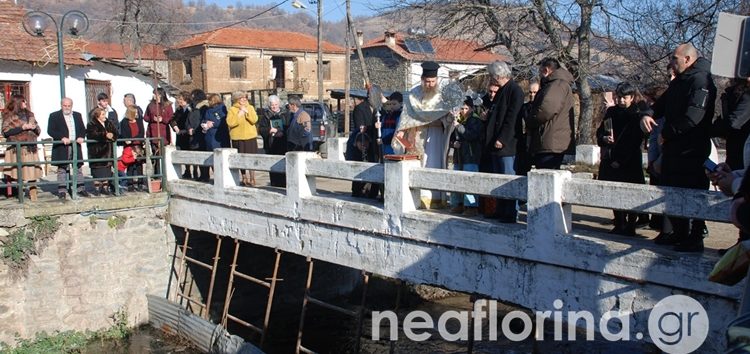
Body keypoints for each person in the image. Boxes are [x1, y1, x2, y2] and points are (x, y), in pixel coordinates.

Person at [640, 42, 716, 252]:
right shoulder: (679, 81)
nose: (671, 61)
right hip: (674, 149)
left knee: (693, 190)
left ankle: (695, 235)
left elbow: (694, 117)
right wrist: (649, 114)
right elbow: (661, 105)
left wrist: (667, 133)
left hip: (691, 149)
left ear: (688, 59)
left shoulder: (701, 80)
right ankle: (679, 232)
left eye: (675, 58)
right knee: (671, 189)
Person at [393, 61, 454, 209]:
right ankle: (422, 198)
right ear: (422, 80)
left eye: (433, 81)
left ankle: (438, 198)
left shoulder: (443, 96)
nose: (430, 85)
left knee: (436, 164)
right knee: (422, 165)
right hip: (418, 134)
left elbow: (448, 117)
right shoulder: (414, 94)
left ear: (437, 80)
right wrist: (401, 131)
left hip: (437, 134)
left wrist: (450, 117)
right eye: (427, 81)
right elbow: (406, 116)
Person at [596, 82, 647, 236]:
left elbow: (635, 140)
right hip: (611, 157)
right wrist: (604, 138)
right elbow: (600, 132)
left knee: (632, 194)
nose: (621, 101)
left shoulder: (637, 114)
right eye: (619, 97)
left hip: (630, 160)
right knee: (613, 192)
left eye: (624, 98)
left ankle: (631, 224)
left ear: (631, 97)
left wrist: (621, 160)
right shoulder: (611, 112)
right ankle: (619, 222)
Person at [485, 61, 524, 222]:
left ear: (498, 76)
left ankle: (510, 213)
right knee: (498, 178)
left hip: (507, 144)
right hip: (496, 142)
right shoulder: (502, 90)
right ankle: (500, 209)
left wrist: (502, 138)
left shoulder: (515, 91)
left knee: (508, 178)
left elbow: (512, 118)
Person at [527, 57, 576, 170]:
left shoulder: (557, 85)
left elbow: (547, 109)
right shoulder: (558, 84)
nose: (539, 74)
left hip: (551, 140)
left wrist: (531, 120)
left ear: (546, 70)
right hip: (552, 140)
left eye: (540, 71)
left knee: (546, 174)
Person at [2, 95, 43, 201]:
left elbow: (38, 131)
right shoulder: (9, 116)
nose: (26, 103)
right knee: (18, 171)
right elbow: (5, 132)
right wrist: (22, 128)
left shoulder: (30, 114)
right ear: (18, 102)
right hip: (17, 148)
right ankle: (19, 193)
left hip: (30, 147)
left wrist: (34, 128)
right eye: (23, 101)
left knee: (32, 170)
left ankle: (33, 193)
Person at [449, 97, 485, 216]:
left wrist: (459, 126)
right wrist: (453, 143)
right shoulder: (458, 119)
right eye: (462, 108)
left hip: (471, 155)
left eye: (466, 108)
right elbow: (451, 138)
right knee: (457, 180)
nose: (464, 111)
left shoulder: (476, 120)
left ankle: (471, 206)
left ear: (471, 108)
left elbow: (471, 135)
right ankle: (458, 204)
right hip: (458, 156)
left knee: (470, 181)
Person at [48, 97, 89, 199]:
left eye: (69, 106)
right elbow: (50, 130)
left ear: (72, 106)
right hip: (62, 146)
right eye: (64, 105)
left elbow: (83, 129)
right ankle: (62, 190)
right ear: (61, 105)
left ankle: (80, 188)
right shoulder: (54, 116)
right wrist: (61, 137)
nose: (67, 107)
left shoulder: (77, 115)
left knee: (78, 167)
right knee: (62, 168)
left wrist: (81, 136)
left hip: (75, 144)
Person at [713, 78, 750, 171]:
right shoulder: (734, 94)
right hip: (735, 149)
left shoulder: (747, 97)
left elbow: (733, 122)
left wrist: (710, 130)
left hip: (741, 151)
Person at [346, 94, 378, 198]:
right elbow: (360, 128)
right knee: (359, 168)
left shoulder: (379, 108)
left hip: (375, 144)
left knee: (375, 168)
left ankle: (373, 193)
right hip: (362, 143)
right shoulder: (360, 108)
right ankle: (357, 191)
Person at [226, 91, 259, 186]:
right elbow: (230, 123)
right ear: (237, 99)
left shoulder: (251, 107)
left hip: (250, 137)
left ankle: (252, 177)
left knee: (252, 157)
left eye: (245, 98)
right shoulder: (232, 110)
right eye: (241, 98)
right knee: (240, 158)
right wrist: (240, 114)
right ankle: (244, 177)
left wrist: (247, 112)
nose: (244, 100)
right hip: (238, 138)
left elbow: (254, 120)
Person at [258, 95, 290, 187]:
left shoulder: (285, 114)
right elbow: (261, 129)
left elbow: (288, 128)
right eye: (272, 105)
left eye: (276, 104)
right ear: (269, 105)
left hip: (283, 144)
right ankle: (274, 184)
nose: (274, 107)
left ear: (279, 104)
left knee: (284, 167)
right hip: (270, 145)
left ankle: (284, 185)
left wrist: (280, 131)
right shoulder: (266, 116)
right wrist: (269, 130)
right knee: (272, 166)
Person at [86, 107, 118, 196]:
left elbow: (115, 132)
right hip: (97, 152)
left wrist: (112, 135)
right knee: (97, 172)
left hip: (107, 152)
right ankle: (97, 189)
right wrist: (104, 135)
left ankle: (105, 188)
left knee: (107, 171)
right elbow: (92, 134)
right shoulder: (91, 124)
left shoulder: (108, 122)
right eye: (103, 114)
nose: (105, 116)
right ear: (97, 116)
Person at [144, 87, 174, 174]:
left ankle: (166, 174)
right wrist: (152, 118)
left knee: (164, 155)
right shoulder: (150, 105)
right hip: (153, 133)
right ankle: (157, 174)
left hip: (164, 134)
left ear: (161, 95)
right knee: (155, 155)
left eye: (155, 94)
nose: (154, 96)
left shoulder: (167, 105)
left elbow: (171, 118)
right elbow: (145, 117)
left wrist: (162, 119)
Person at [119, 106, 147, 192]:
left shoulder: (139, 121)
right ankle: (130, 184)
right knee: (130, 165)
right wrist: (129, 140)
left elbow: (141, 133)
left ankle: (140, 183)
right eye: (135, 113)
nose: (136, 114)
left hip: (138, 145)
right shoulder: (124, 122)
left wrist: (133, 139)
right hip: (129, 146)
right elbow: (124, 134)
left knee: (139, 165)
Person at [516, 81, 539, 177]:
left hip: (538, 142)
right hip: (527, 142)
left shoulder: (541, 107)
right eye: (530, 92)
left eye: (535, 92)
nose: (532, 95)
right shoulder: (524, 107)